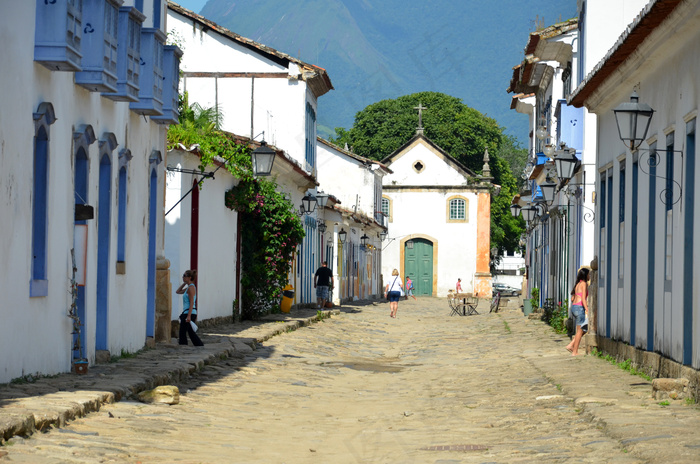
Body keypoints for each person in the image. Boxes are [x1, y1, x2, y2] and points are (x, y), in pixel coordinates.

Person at [176, 269, 204, 346]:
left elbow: (192, 302)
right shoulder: (188, 288)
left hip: (189, 313)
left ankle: (187, 344)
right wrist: (184, 283)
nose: (183, 277)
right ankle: (196, 344)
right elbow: (178, 291)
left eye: (184, 276)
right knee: (187, 331)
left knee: (184, 331)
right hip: (187, 312)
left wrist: (188, 316)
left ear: (190, 277)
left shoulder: (191, 288)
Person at [566, 268, 590, 356]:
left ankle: (571, 345)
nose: (589, 276)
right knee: (580, 331)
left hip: (574, 307)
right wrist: (587, 309)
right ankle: (574, 351)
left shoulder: (577, 284)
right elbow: (583, 298)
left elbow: (572, 298)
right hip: (580, 307)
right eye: (588, 274)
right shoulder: (584, 284)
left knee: (583, 329)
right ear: (585, 275)